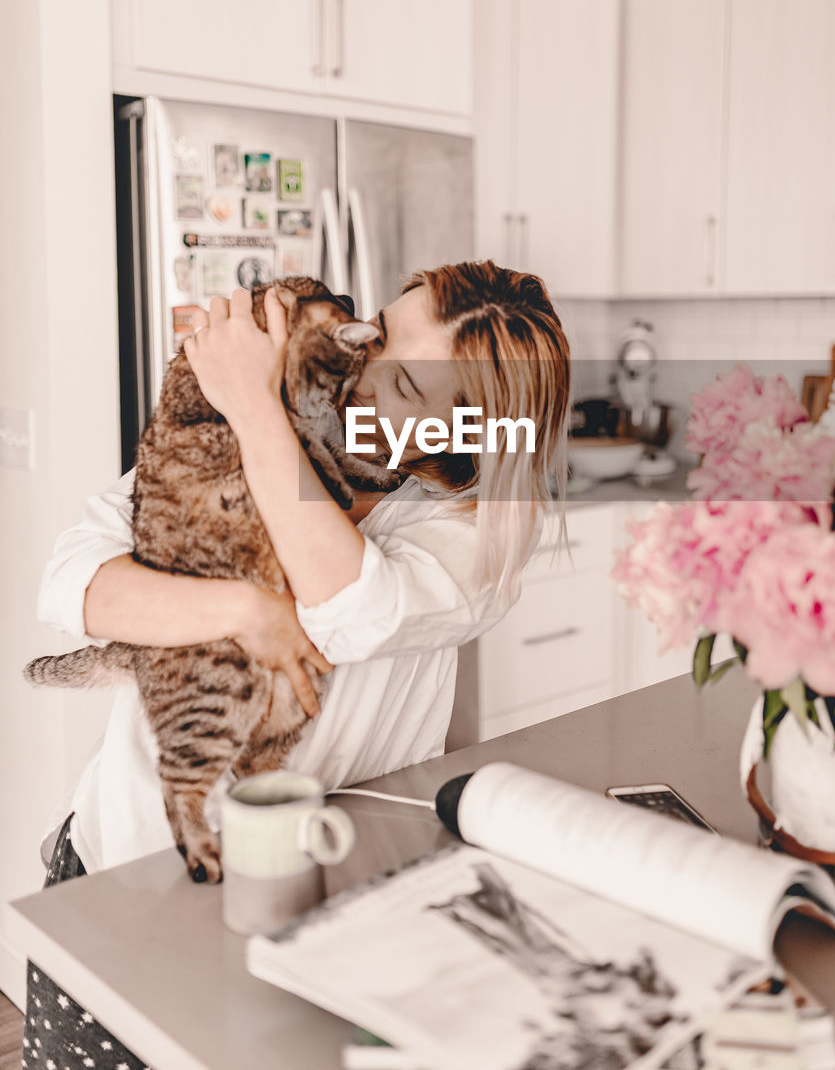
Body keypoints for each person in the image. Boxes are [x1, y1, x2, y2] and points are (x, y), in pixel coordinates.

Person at [36, 260, 571, 876]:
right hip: (123, 854)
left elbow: (350, 609)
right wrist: (247, 610)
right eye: (378, 331)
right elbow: (73, 580)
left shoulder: (474, 532)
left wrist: (251, 404)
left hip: (322, 866)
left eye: (406, 388)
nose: (362, 370)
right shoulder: (256, 428)